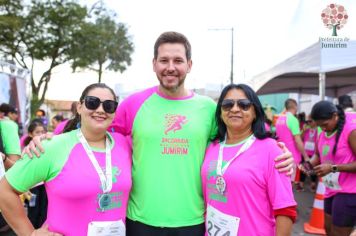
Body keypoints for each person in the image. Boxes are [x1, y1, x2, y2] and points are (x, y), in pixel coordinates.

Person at [25, 31, 294, 236]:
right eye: (164, 60)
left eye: (178, 60)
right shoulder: (133, 104)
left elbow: (238, 137)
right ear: (154, 64)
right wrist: (50, 136)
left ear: (189, 65)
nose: (170, 67)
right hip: (139, 221)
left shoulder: (208, 108)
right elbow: (95, 125)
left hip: (194, 222)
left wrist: (281, 152)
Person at [0, 83, 132, 235]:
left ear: (114, 112)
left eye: (109, 105)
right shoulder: (51, 147)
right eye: (92, 102)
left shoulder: (124, 145)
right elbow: (5, 189)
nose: (101, 110)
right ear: (79, 107)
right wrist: (30, 233)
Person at [202, 84, 296, 236]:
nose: (234, 109)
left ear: (255, 112)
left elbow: (285, 209)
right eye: (227, 105)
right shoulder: (212, 147)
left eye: (244, 105)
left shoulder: (271, 150)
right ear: (220, 112)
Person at [302, 100, 356, 236]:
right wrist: (306, 166)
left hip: (349, 192)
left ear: (335, 116)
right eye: (320, 126)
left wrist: (333, 168)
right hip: (330, 189)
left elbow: (331, 166)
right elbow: (317, 156)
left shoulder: (350, 131)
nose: (323, 128)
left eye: (325, 124)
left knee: (339, 233)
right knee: (328, 230)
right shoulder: (322, 134)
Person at [275, 99, 310, 183]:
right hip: (292, 157)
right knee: (291, 183)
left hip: (280, 154)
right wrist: (305, 156)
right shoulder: (293, 120)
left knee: (283, 182)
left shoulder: (279, 119)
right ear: (295, 106)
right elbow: (298, 141)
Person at [299, 116, 320, 192]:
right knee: (304, 168)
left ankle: (313, 184)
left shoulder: (318, 129)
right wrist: (303, 131)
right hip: (305, 152)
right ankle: (301, 184)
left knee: (313, 168)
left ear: (315, 121)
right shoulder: (306, 129)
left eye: (310, 121)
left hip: (314, 153)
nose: (308, 123)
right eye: (307, 122)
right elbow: (300, 138)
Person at [0, 103, 21, 169]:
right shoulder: (10, 125)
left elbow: (14, 162)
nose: (16, 116)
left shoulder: (7, 125)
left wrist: (4, 158)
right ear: (9, 114)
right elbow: (14, 164)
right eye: (14, 113)